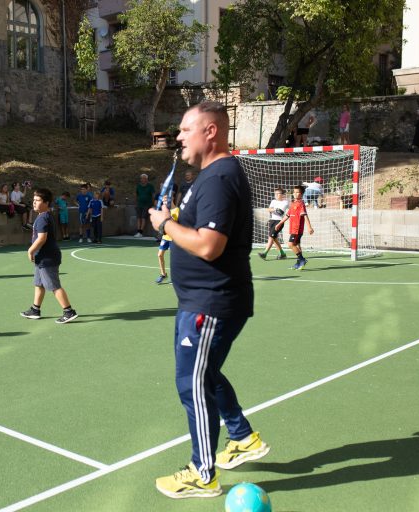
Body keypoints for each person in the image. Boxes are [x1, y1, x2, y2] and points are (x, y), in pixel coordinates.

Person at [149, 101, 269, 499]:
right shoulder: (211, 176)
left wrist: (166, 224)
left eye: (186, 129)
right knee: (206, 374)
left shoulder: (219, 177)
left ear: (211, 132)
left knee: (192, 383)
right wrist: (174, 218)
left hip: (210, 303)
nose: (178, 136)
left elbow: (209, 245)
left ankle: (203, 473)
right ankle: (242, 437)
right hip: (202, 302)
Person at [20, 187, 78, 324]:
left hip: (47, 258)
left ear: (46, 203)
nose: (34, 202)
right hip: (42, 258)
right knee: (39, 284)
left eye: (38, 200)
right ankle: (35, 310)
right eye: (33, 200)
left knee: (54, 286)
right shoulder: (44, 215)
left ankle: (69, 311)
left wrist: (30, 250)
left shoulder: (43, 218)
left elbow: (42, 238)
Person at [275, 185, 314, 270]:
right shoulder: (293, 203)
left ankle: (302, 260)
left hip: (297, 229)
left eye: (297, 192)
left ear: (302, 194)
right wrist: (279, 224)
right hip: (292, 228)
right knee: (297, 245)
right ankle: (298, 263)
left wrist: (309, 227)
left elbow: (305, 216)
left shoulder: (301, 204)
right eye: (294, 192)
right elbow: (287, 215)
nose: (295, 194)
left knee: (290, 244)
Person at [258, 187, 289, 260]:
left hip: (279, 221)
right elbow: (269, 209)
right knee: (274, 238)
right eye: (275, 194)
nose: (276, 195)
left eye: (278, 194)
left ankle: (264, 253)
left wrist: (274, 209)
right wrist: (275, 209)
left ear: (282, 194)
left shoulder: (285, 202)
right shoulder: (273, 201)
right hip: (272, 221)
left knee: (271, 237)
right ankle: (282, 254)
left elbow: (280, 212)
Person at [135, 173, 155, 237]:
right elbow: (136, 195)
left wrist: (153, 204)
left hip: (147, 204)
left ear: (146, 179)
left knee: (143, 217)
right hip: (139, 204)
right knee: (138, 218)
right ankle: (138, 231)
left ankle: (141, 232)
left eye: (144, 178)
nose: (142, 179)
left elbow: (153, 195)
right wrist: (136, 203)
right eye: (141, 178)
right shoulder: (138, 186)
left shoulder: (150, 186)